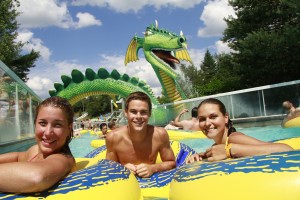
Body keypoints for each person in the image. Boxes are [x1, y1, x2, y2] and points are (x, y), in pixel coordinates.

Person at [0, 96, 75, 193]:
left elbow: (37, 177)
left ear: (69, 129)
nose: (48, 132)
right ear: (35, 124)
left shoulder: (63, 158)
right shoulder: (35, 150)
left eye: (57, 125)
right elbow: (18, 157)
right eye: (43, 123)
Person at [186, 98, 293, 163]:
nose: (207, 123)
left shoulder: (234, 138)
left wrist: (229, 150)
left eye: (213, 117)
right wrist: (201, 157)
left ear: (226, 117)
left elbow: (285, 149)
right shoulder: (217, 145)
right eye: (202, 119)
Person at [106, 91, 176, 178]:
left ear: (149, 113)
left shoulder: (160, 135)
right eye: (133, 112)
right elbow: (108, 169)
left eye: (143, 112)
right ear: (126, 113)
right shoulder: (113, 138)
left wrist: (153, 168)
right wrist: (122, 169)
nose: (138, 117)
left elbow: (172, 163)